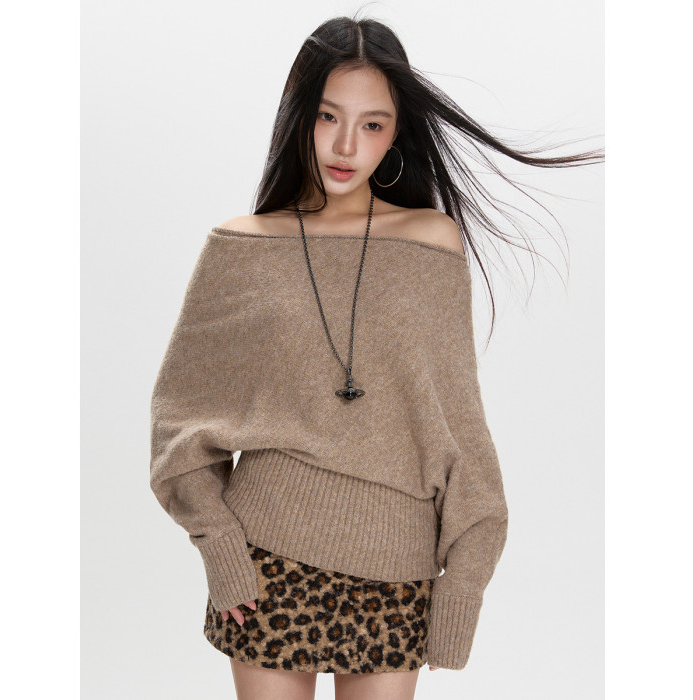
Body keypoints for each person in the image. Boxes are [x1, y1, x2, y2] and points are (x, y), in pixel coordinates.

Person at [149, 13, 603, 700]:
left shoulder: (430, 240)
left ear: (395, 135)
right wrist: (219, 548)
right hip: (265, 561)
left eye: (372, 124)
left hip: (397, 568)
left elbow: (457, 422)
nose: (345, 145)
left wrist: (463, 584)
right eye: (328, 116)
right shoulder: (241, 245)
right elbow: (178, 419)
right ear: (297, 114)